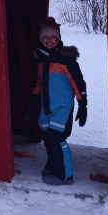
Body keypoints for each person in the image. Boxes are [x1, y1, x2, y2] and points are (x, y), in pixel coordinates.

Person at [31, 17, 87, 186]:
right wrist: (34, 99)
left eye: (53, 36)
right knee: (47, 138)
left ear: (58, 39)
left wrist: (83, 104)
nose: (49, 40)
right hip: (46, 107)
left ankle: (65, 175)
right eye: (45, 37)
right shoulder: (41, 59)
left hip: (62, 107)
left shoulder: (66, 60)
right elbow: (38, 82)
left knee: (56, 138)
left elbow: (78, 83)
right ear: (42, 39)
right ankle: (54, 166)